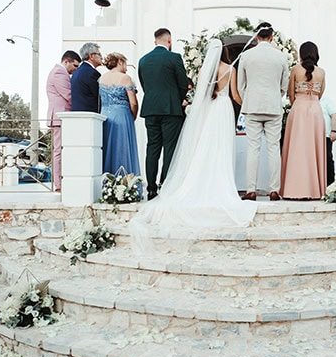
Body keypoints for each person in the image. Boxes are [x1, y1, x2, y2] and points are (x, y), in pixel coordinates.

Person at [129, 38, 256, 238]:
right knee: (221, 148)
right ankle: (220, 182)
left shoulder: (203, 71)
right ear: (224, 53)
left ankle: (159, 186)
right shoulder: (230, 69)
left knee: (205, 147)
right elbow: (235, 95)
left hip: (209, 111)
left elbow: (200, 95)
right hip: (223, 110)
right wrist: (248, 104)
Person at [237, 22, 289, 201]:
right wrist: (275, 95)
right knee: (274, 148)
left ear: (256, 37)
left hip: (252, 106)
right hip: (273, 106)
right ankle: (274, 190)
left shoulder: (246, 56)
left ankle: (251, 190)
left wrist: (249, 97)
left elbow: (240, 85)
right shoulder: (281, 57)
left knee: (253, 148)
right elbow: (284, 86)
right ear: (272, 37)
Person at [138, 27, 189, 200]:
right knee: (170, 148)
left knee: (152, 147)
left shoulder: (143, 60)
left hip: (151, 109)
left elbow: (145, 85)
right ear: (169, 41)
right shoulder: (174, 58)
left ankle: (151, 189)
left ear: (155, 41)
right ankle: (165, 185)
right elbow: (183, 83)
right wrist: (179, 99)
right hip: (171, 109)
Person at [280, 41, 326, 199]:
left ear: (301, 54)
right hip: (315, 110)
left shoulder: (295, 70)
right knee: (313, 149)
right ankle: (315, 190)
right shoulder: (322, 72)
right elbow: (320, 95)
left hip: (298, 108)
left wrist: (298, 103)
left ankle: (293, 189)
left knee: (297, 148)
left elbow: (290, 94)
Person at [99, 52, 141, 183]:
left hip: (104, 114)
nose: (127, 68)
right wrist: (132, 115)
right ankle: (125, 183)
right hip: (122, 116)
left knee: (107, 148)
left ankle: (107, 184)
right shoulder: (125, 78)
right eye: (125, 64)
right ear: (120, 62)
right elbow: (133, 102)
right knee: (122, 148)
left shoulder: (101, 79)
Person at [46, 50, 81, 191]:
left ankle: (62, 181)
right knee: (59, 151)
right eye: (75, 65)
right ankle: (58, 185)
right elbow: (69, 95)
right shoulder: (59, 73)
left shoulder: (60, 72)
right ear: (66, 61)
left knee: (62, 150)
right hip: (60, 116)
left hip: (61, 116)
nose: (75, 69)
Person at [71, 42, 103, 113]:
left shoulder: (75, 73)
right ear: (91, 56)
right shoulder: (92, 73)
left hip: (75, 115)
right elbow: (99, 97)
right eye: (99, 54)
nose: (102, 57)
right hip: (90, 116)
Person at [319, 94, 336, 186]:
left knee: (327, 158)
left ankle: (330, 184)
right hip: (311, 137)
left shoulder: (326, 101)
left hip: (325, 135)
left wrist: (333, 131)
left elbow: (334, 115)